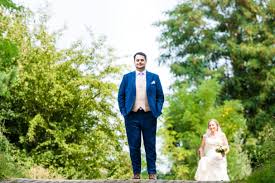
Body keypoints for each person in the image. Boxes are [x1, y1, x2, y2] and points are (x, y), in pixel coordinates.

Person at [117, 52, 164, 180]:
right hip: (131, 116)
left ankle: (152, 173)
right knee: (134, 145)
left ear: (145, 61)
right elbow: (120, 96)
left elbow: (160, 96)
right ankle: (136, 173)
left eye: (142, 60)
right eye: (137, 60)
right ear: (134, 62)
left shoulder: (154, 77)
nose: (139, 62)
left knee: (150, 145)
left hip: (149, 116)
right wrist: (123, 111)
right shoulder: (127, 78)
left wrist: (157, 110)